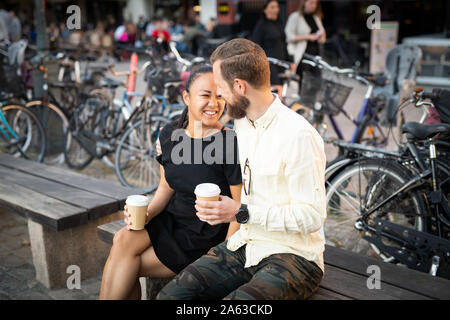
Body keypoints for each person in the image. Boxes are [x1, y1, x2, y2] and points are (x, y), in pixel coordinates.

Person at [157, 38, 326, 300]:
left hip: (294, 257)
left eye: (220, 88)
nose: (219, 96)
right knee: (170, 297)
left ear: (239, 86)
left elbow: (312, 216)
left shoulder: (298, 135)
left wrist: (242, 213)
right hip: (245, 244)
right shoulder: (243, 124)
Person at [99, 65, 242, 300]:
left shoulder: (228, 143)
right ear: (186, 97)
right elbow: (166, 186)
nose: (214, 103)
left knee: (125, 263)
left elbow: (239, 205)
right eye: (205, 95)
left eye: (219, 96)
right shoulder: (169, 134)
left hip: (204, 234)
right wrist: (148, 213)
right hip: (172, 218)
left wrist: (221, 257)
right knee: (122, 238)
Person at [285, 0, 326, 96]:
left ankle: (310, 106)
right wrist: (308, 37)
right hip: (302, 56)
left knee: (317, 83)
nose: (313, 6)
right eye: (311, 3)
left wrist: (321, 37)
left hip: (315, 56)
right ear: (304, 3)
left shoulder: (316, 17)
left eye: (315, 3)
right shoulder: (295, 17)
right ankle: (302, 107)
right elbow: (289, 37)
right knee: (304, 85)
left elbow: (323, 35)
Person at [252, 0, 288, 96]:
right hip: (269, 62)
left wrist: (290, 60)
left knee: (282, 90)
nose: (276, 9)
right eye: (272, 7)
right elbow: (255, 46)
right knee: (276, 90)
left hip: (281, 62)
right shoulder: (261, 25)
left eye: (277, 7)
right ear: (265, 10)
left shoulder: (280, 23)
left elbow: (284, 44)